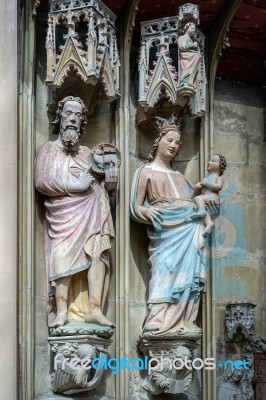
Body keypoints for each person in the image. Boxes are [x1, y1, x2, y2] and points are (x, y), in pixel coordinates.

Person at [35, 96, 118, 328]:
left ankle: (93, 308)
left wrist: (111, 183)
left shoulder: (87, 154)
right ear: (60, 116)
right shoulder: (49, 150)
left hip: (94, 212)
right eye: (69, 113)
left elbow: (102, 184)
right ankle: (62, 311)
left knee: (97, 254)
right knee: (62, 255)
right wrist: (75, 186)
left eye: (78, 115)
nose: (73, 118)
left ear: (83, 121)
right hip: (64, 216)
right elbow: (42, 181)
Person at [130, 120, 217, 337]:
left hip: (189, 229)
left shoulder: (181, 177)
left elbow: (194, 200)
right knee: (164, 271)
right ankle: (159, 316)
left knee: (188, 276)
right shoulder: (146, 171)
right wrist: (148, 212)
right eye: (169, 140)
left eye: (178, 143)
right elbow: (135, 206)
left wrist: (208, 201)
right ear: (158, 141)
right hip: (165, 232)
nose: (173, 145)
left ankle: (185, 319)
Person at [191, 154, 227, 236]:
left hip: (212, 197)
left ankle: (201, 211)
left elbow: (218, 187)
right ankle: (209, 223)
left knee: (198, 199)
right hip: (205, 198)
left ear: (219, 166)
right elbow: (199, 190)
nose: (209, 162)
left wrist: (206, 183)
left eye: (213, 161)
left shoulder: (218, 177)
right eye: (210, 160)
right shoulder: (206, 178)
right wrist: (197, 187)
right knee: (200, 204)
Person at [177, 22, 201, 87]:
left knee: (197, 56)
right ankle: (184, 81)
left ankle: (189, 81)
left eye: (194, 29)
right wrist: (193, 45)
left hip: (191, 58)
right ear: (187, 28)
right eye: (192, 28)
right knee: (185, 71)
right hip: (185, 58)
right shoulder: (182, 37)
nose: (194, 30)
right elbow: (182, 46)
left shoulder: (190, 40)